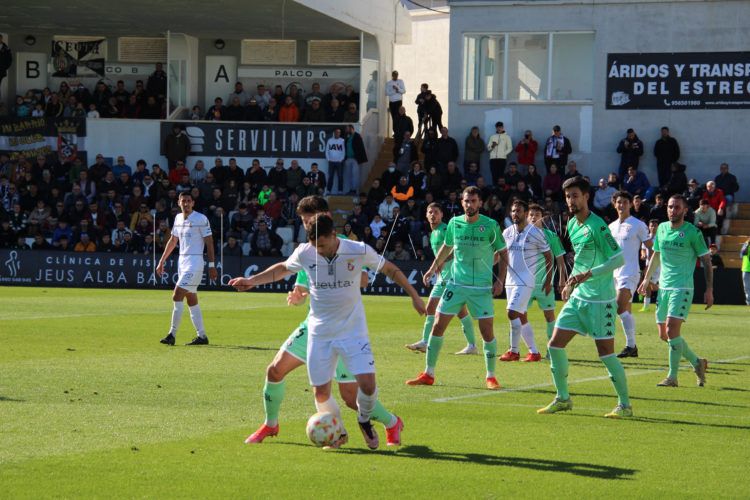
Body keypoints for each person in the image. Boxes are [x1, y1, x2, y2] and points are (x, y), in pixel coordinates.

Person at [231, 210, 426, 449]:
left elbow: (390, 270)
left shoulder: (357, 250)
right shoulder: (306, 252)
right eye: (315, 246)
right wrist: (252, 280)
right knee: (319, 392)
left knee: (363, 390)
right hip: (319, 333)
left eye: (322, 245)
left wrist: (415, 296)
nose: (319, 251)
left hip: (352, 332)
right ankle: (337, 434)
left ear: (334, 234)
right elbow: (282, 268)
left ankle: (368, 420)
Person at [537, 176, 632, 418]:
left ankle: (625, 406)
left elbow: (618, 259)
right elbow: (580, 259)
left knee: (606, 354)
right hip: (579, 298)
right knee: (554, 345)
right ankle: (563, 398)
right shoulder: (572, 225)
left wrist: (589, 274)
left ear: (586, 197)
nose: (571, 201)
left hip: (600, 301)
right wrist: (571, 281)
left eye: (575, 196)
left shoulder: (597, 225)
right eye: (568, 196)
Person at [406, 186, 508, 390]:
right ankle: (428, 373)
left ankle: (491, 376)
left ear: (480, 203)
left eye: (473, 201)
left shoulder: (490, 225)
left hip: (481, 287)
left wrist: (500, 281)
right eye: (466, 201)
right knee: (437, 324)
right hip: (456, 284)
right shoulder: (454, 223)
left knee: (487, 331)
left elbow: (503, 253)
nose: (469, 204)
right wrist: (432, 268)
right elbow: (447, 247)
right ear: (462, 202)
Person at [638, 194, 711, 388]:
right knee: (664, 335)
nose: (673, 210)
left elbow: (706, 260)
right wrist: (646, 279)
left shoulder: (692, 232)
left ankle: (672, 377)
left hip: (682, 287)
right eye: (670, 207)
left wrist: (709, 289)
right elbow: (656, 255)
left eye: (677, 207)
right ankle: (697, 362)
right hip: (664, 287)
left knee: (671, 330)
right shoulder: (662, 228)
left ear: (685, 210)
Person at [405, 203, 478, 355]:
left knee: (442, 309)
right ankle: (470, 345)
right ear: (426, 215)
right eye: (430, 212)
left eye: (436, 212)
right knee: (450, 310)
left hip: (453, 276)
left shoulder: (445, 229)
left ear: (442, 214)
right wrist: (438, 268)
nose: (433, 215)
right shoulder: (433, 233)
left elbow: (458, 248)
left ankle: (428, 342)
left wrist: (442, 261)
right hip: (444, 276)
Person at [156, 192, 218, 346]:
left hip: (195, 263)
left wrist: (211, 265)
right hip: (182, 263)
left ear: (193, 203)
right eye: (183, 201)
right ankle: (202, 336)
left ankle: (171, 335)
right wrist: (162, 261)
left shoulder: (201, 219)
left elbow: (209, 242)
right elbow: (173, 240)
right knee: (191, 299)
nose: (186, 203)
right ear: (179, 203)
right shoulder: (177, 218)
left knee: (177, 295)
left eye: (189, 201)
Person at [498, 200, 552, 363]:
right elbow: (501, 255)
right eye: (513, 211)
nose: (515, 214)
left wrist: (548, 280)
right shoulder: (507, 232)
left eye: (519, 211)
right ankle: (534, 352)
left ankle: (513, 351)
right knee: (520, 316)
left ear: (526, 213)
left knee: (511, 313)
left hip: (526, 280)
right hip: (510, 281)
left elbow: (549, 258)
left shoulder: (536, 233)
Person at [607, 191, 653, 358]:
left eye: (625, 202)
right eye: (619, 202)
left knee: (618, 307)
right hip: (613, 274)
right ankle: (631, 347)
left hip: (630, 273)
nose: (621, 205)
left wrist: (648, 271)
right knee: (625, 311)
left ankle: (627, 345)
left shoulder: (638, 224)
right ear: (614, 204)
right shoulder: (611, 226)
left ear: (630, 204)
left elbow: (651, 247)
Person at [527, 204, 568, 351]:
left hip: (545, 284)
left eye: (537, 215)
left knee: (549, 316)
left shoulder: (551, 236)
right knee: (518, 316)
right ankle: (517, 349)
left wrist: (562, 280)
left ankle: (552, 350)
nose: (533, 218)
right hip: (525, 285)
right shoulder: (521, 235)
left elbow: (560, 259)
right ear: (527, 216)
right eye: (531, 215)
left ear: (542, 218)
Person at [640, 219, 661, 312]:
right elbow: (643, 249)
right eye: (651, 225)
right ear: (649, 227)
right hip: (648, 264)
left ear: (658, 227)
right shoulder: (646, 237)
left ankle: (661, 299)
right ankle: (646, 306)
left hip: (658, 265)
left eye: (655, 226)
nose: (653, 227)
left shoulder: (660, 237)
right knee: (647, 284)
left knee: (651, 284)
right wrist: (643, 254)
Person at [325, 128, 345, 195]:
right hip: (331, 162)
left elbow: (344, 151)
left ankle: (340, 190)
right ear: (334, 133)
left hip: (339, 162)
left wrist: (341, 159)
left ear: (340, 133)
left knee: (340, 176)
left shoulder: (342, 140)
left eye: (339, 132)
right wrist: (328, 159)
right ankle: (328, 190)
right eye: (336, 132)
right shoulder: (330, 140)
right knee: (330, 176)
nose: (337, 133)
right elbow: (327, 150)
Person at [741, 237, 750, 306]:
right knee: (747, 288)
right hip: (746, 269)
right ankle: (749, 303)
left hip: (746, 269)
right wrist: (747, 245)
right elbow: (742, 253)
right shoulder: (746, 244)